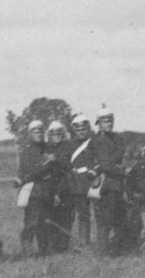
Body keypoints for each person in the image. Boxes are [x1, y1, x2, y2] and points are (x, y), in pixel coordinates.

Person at [89, 106, 129, 255]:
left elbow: (120, 154)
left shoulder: (117, 138)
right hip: (105, 185)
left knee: (119, 219)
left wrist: (114, 166)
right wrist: (118, 169)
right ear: (98, 123)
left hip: (117, 184)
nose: (109, 124)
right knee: (105, 221)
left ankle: (116, 250)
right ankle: (103, 252)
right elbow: (105, 164)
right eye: (105, 121)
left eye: (110, 121)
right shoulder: (98, 140)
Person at [17, 120, 59, 256]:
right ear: (30, 133)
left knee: (45, 222)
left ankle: (43, 251)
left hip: (47, 190)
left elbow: (55, 172)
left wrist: (56, 192)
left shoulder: (49, 148)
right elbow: (32, 171)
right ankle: (27, 248)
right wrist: (47, 163)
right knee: (32, 221)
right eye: (36, 131)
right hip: (33, 191)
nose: (39, 134)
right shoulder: (26, 151)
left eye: (41, 131)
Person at [44, 121, 75, 253]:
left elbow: (69, 165)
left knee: (66, 217)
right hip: (51, 186)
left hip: (65, 186)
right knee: (52, 217)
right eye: (53, 133)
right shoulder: (46, 148)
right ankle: (54, 245)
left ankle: (64, 245)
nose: (56, 135)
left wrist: (56, 159)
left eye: (58, 132)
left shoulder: (68, 147)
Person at [67, 114, 95, 248]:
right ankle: (84, 242)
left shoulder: (93, 143)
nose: (81, 132)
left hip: (93, 179)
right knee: (83, 213)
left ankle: (101, 240)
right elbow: (67, 163)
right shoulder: (70, 145)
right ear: (74, 130)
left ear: (88, 128)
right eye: (78, 130)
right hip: (78, 182)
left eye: (83, 129)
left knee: (99, 211)